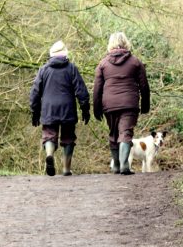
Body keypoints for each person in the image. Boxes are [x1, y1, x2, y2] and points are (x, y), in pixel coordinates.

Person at [93, 32, 150, 175]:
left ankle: (117, 166)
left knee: (113, 133)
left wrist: (96, 108)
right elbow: (144, 86)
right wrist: (145, 104)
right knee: (125, 132)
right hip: (129, 104)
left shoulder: (103, 63)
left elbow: (97, 89)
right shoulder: (135, 62)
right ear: (126, 43)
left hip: (109, 104)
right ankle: (124, 165)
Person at [29, 40, 90, 176]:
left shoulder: (43, 70)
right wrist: (85, 109)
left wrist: (35, 112)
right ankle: (66, 169)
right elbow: (81, 91)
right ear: (65, 54)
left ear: (51, 55)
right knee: (68, 138)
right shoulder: (71, 68)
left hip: (48, 109)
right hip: (67, 109)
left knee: (49, 135)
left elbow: (35, 93)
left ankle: (49, 154)